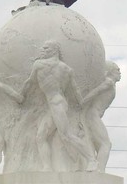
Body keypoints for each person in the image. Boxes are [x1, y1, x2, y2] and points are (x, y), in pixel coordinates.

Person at [21, 40, 98, 171]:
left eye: (45, 48)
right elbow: (75, 91)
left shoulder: (39, 65)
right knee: (41, 136)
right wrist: (82, 103)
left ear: (54, 50)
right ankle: (47, 167)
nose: (42, 50)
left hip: (57, 104)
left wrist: (21, 96)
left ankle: (92, 160)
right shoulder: (66, 69)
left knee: (66, 135)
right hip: (56, 104)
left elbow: (30, 82)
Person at [83, 61, 121, 172]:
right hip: (92, 115)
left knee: (95, 144)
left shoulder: (111, 83)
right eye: (117, 69)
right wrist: (82, 103)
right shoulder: (108, 82)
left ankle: (94, 167)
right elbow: (95, 92)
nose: (120, 72)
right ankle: (98, 170)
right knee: (105, 144)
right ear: (110, 71)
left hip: (94, 115)